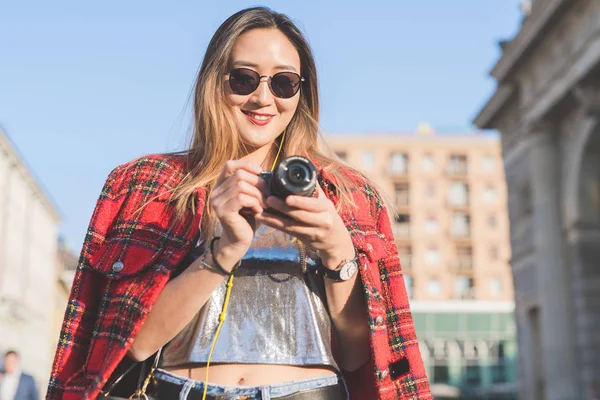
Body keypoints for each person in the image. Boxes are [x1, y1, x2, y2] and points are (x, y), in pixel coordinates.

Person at [47, 7, 431, 400]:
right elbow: (138, 344)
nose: (263, 98)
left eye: (284, 83)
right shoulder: (146, 186)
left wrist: (337, 250)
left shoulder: (348, 194)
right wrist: (223, 251)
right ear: (215, 82)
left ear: (302, 93)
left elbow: (356, 357)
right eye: (244, 79)